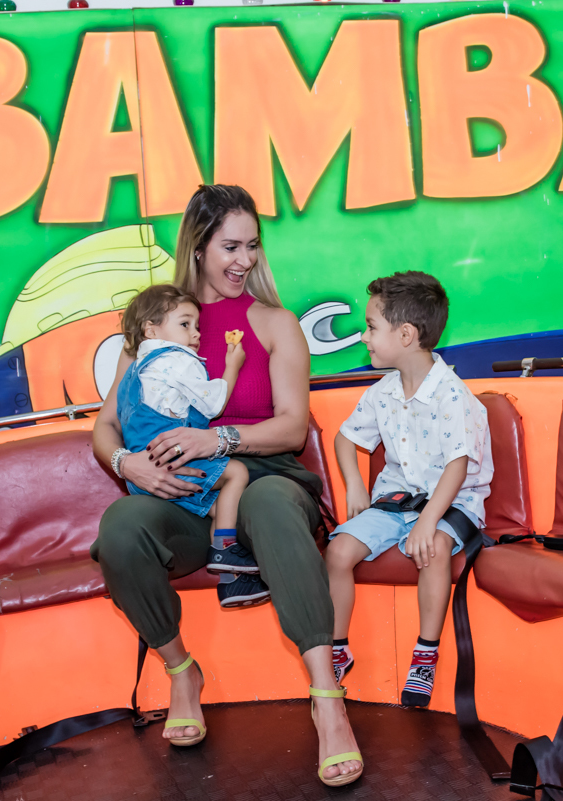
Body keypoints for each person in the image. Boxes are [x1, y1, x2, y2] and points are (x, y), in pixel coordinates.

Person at [91, 185, 363, 787]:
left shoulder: (274, 323)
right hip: (190, 499)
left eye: (252, 246)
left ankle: (328, 700)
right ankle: (180, 669)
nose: (244, 260)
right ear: (198, 246)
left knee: (265, 501)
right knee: (121, 526)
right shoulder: (159, 328)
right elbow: (106, 428)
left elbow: (293, 428)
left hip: (267, 478)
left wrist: (219, 440)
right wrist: (127, 466)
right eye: (230, 246)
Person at [325, 272, 493, 707]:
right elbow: (346, 438)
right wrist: (356, 487)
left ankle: (425, 653)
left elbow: (458, 466)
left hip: (452, 500)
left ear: (405, 334)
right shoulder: (383, 391)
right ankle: (338, 648)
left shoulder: (452, 395)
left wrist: (429, 521)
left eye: (371, 327)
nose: (364, 337)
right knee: (339, 551)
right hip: (398, 501)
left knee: (433, 548)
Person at [115, 283, 250, 560]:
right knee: (237, 473)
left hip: (143, 471)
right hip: (173, 460)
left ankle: (230, 563)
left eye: (196, 325)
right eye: (185, 324)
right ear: (151, 330)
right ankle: (225, 552)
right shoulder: (178, 360)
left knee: (218, 505)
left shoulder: (136, 370)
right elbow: (213, 404)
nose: (196, 333)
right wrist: (232, 366)